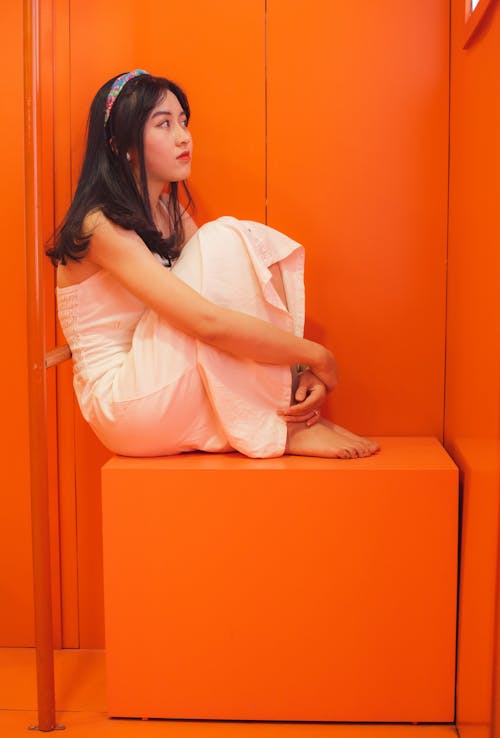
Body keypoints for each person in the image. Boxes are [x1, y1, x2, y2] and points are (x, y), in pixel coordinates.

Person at [48, 70, 379, 460]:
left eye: (183, 122)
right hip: (127, 402)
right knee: (225, 237)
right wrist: (316, 356)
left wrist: (299, 372)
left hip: (165, 384)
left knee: (237, 252)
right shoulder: (99, 225)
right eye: (164, 124)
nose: (183, 136)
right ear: (123, 145)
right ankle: (285, 430)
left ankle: (290, 414)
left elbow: (229, 304)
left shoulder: (169, 213)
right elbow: (207, 323)